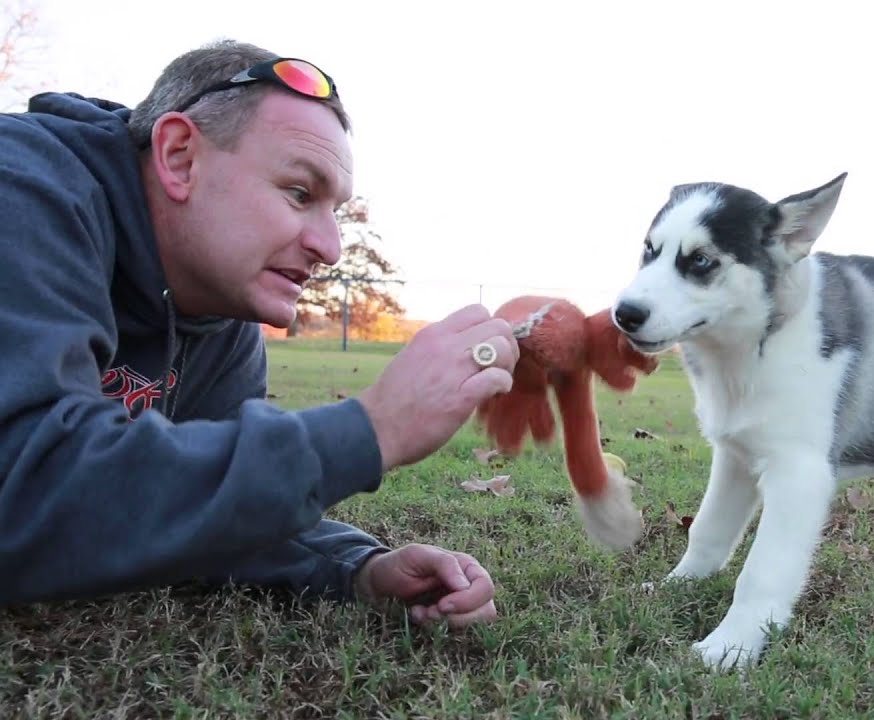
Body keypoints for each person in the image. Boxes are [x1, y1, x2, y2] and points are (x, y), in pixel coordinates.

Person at [0, 39, 519, 628]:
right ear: (179, 157)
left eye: (335, 212)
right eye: (300, 193)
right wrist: (372, 430)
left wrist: (355, 570)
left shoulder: (221, 319)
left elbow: (201, 504)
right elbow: (23, 487)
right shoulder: (23, 189)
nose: (330, 246)